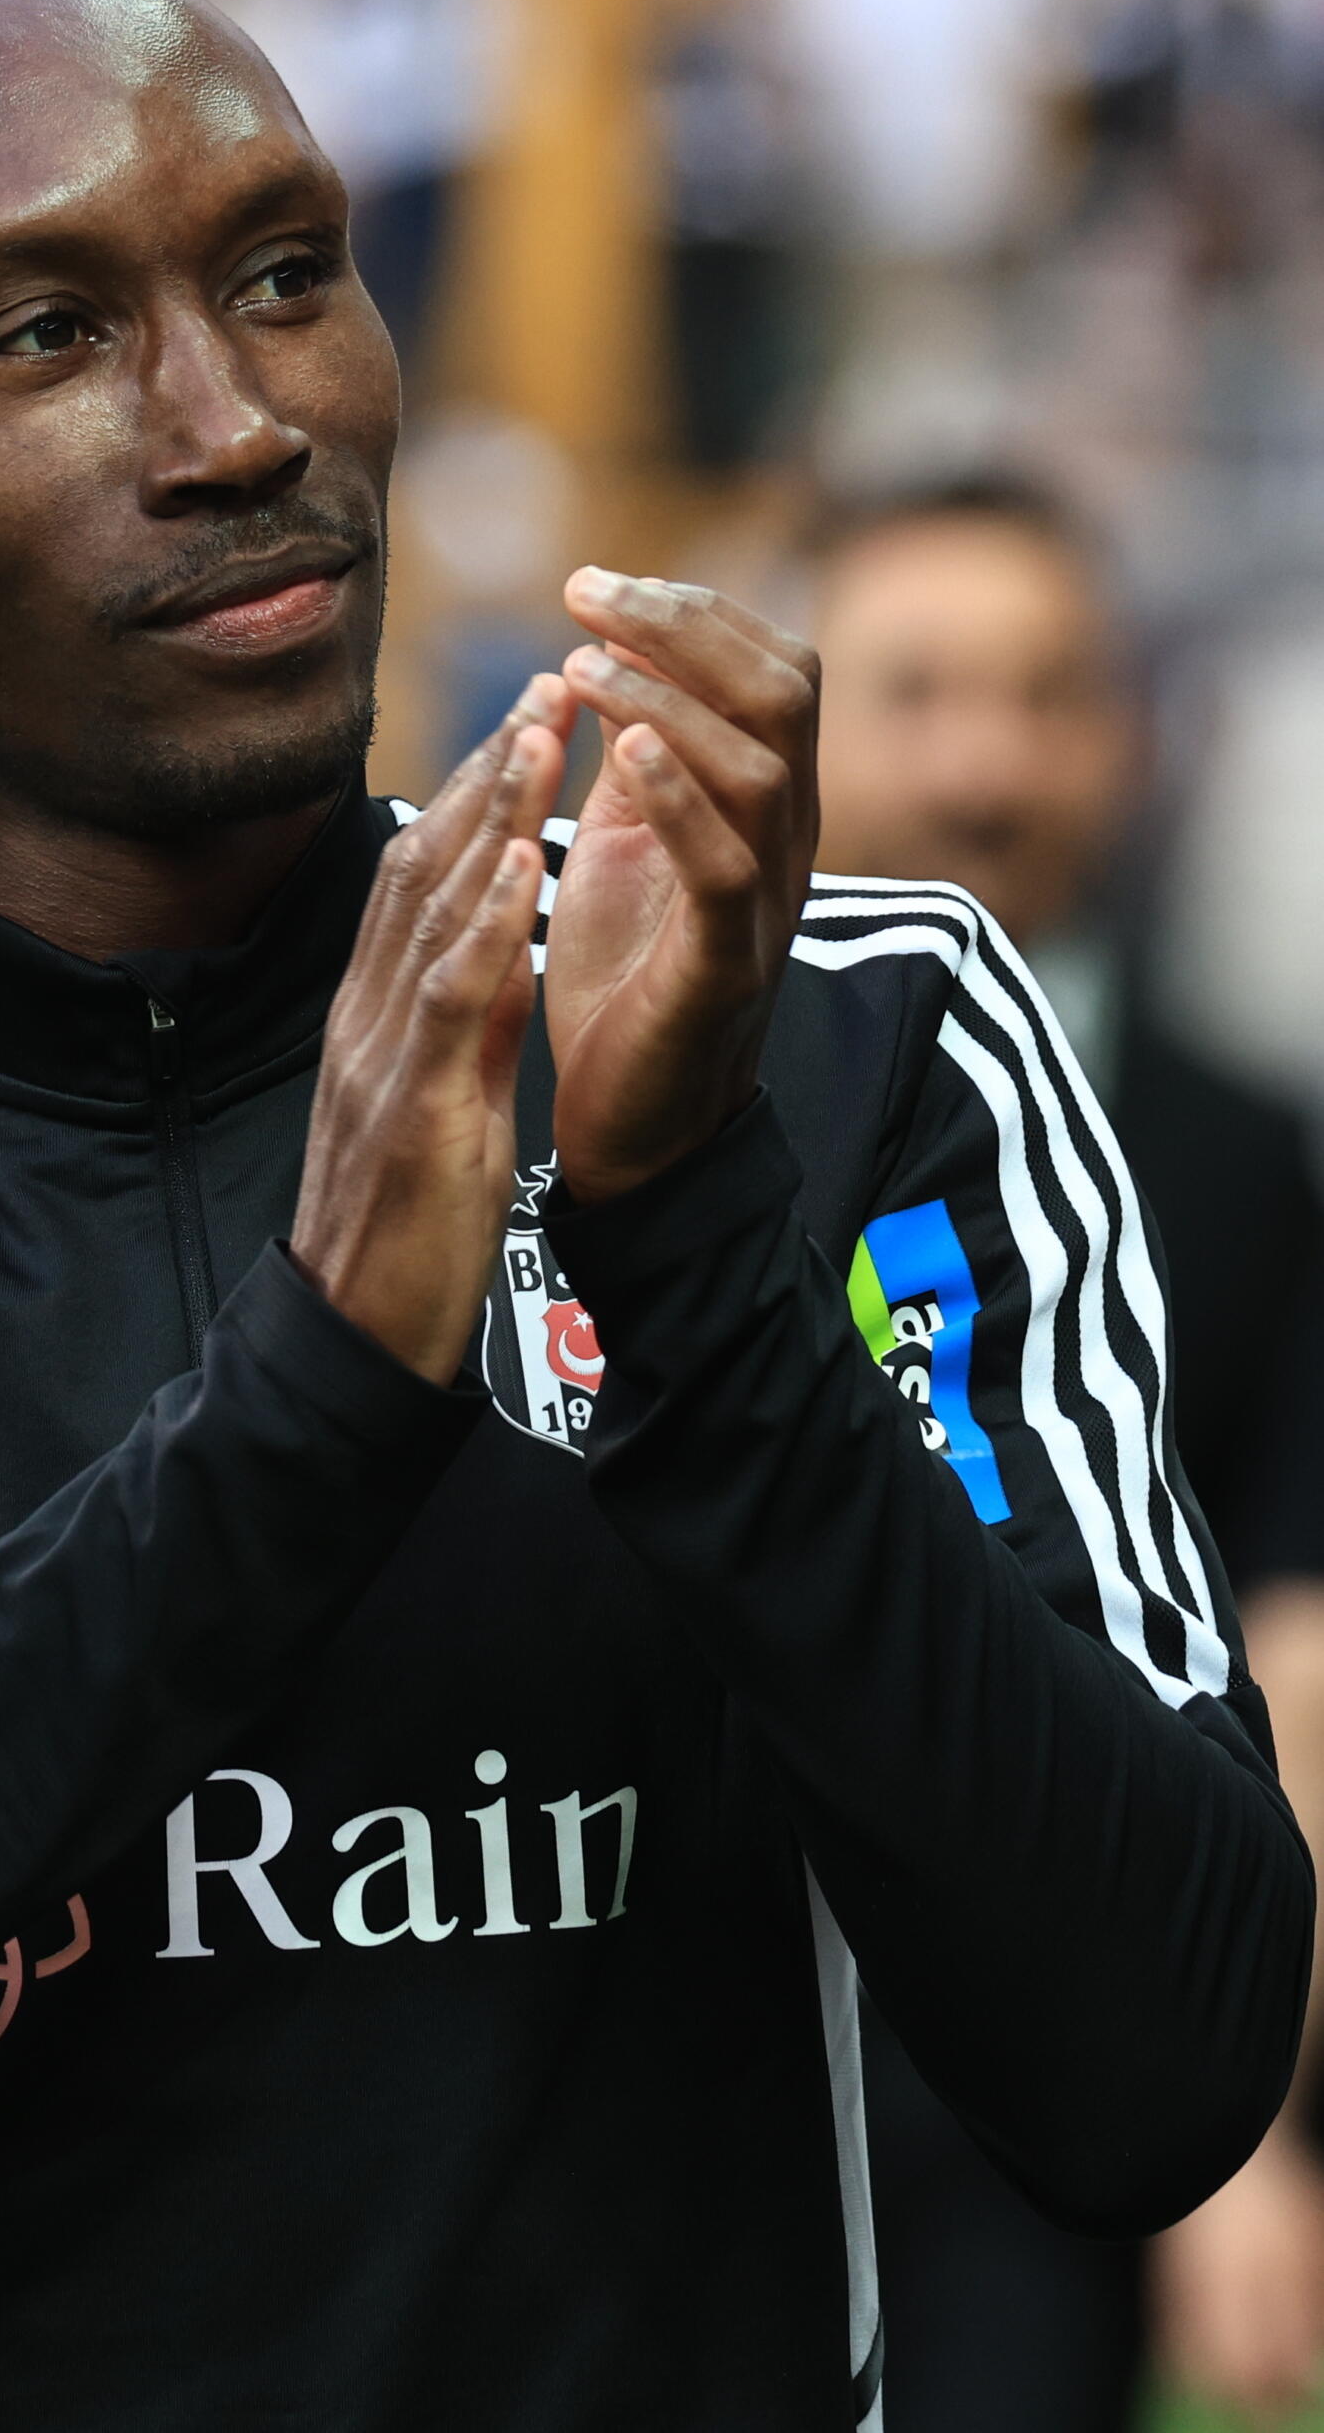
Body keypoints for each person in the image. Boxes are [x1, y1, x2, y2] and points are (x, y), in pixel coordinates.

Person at [0, 0, 1310, 2433]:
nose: (236, 421)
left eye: (286, 272)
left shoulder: (854, 1030)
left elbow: (1155, 2065)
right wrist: (305, 1410)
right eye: (39, 330)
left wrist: (691, 1270)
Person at [811, 469, 1324, 2430]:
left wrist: (1241, 2110)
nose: (987, 759)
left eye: (1050, 692)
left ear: (1130, 731)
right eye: (918, 688)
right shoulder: (634, 1099)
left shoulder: (1224, 1149)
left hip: (1023, 2085)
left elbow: (1284, 1629)